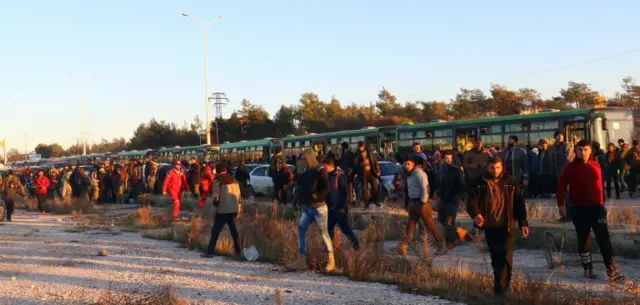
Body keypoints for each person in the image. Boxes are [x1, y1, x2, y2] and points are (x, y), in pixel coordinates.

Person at [556, 140, 626, 282]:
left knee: (604, 239)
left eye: (586, 149)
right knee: (584, 239)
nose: (583, 152)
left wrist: (602, 205)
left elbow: (600, 187)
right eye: (580, 150)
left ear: (590, 150)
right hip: (578, 209)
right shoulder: (569, 168)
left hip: (597, 209)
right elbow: (561, 186)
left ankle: (612, 271)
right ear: (575, 151)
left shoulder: (596, 165)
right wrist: (561, 204)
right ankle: (587, 268)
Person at [466, 157, 529, 297]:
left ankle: (502, 288)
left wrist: (523, 223)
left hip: (507, 225)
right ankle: (500, 289)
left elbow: (519, 203)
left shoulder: (510, 182)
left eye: (498, 168)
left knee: (507, 256)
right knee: (496, 257)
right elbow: (471, 201)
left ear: (502, 168)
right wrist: (475, 214)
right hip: (490, 225)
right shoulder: (479, 182)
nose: (495, 171)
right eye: (492, 168)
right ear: (487, 167)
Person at [287, 148, 334, 272]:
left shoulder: (320, 170)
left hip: (319, 208)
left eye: (304, 158)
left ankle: (331, 261)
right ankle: (301, 259)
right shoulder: (307, 171)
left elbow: (326, 188)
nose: (303, 161)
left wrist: (318, 196)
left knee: (324, 233)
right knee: (301, 229)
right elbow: (299, 185)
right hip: (308, 208)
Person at [396, 156, 448, 256]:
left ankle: (442, 244)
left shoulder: (419, 173)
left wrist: (423, 202)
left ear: (413, 164)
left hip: (421, 203)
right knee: (410, 225)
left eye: (408, 164)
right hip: (413, 203)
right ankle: (403, 247)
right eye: (405, 164)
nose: (406, 166)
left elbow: (425, 188)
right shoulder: (409, 174)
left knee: (430, 225)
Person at [201, 163, 242, 258]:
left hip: (222, 211)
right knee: (234, 232)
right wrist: (239, 210)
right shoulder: (234, 181)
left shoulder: (217, 182)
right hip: (233, 210)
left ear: (218, 171)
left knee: (215, 232)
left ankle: (210, 251)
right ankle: (238, 251)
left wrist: (212, 213)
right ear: (226, 170)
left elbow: (216, 199)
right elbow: (239, 197)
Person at [324, 153, 360, 250]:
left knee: (345, 229)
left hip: (339, 209)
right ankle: (329, 249)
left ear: (329, 165)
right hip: (330, 207)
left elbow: (344, 193)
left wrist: (341, 207)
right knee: (328, 229)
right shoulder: (328, 175)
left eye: (324, 166)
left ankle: (356, 246)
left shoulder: (339, 176)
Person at [436, 151, 466, 249]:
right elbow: (439, 183)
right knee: (441, 219)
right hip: (443, 198)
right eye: (446, 158)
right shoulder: (441, 170)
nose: (448, 160)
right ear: (443, 159)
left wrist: (458, 197)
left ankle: (452, 241)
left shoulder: (457, 170)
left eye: (450, 158)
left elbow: (461, 185)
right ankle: (459, 230)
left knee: (449, 221)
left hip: (454, 199)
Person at [354, 141, 381, 209]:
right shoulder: (357, 154)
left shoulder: (369, 151)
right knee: (364, 188)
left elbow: (375, 161)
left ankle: (376, 201)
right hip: (363, 173)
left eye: (361, 146)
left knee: (375, 187)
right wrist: (362, 164)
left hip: (371, 172)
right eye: (359, 147)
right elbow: (355, 164)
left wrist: (378, 170)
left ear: (364, 146)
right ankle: (366, 204)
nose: (360, 148)